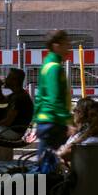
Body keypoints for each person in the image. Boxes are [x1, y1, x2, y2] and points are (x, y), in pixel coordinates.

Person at [33, 29, 73, 174]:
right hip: (53, 123)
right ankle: (20, 192)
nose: (69, 47)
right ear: (56, 46)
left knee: (47, 164)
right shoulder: (54, 68)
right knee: (47, 168)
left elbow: (40, 97)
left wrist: (35, 120)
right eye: (66, 44)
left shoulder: (48, 64)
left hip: (48, 122)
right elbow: (54, 100)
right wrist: (68, 121)